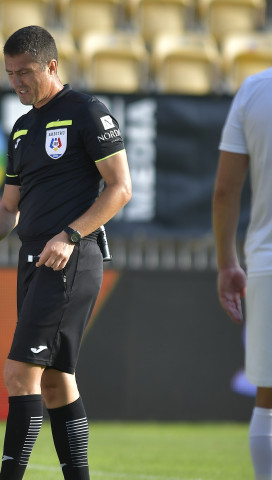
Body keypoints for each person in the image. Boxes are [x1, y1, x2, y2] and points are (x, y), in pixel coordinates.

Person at [0, 26, 131, 480]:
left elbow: (120, 188)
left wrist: (69, 236)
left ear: (51, 66)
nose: (17, 81)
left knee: (19, 374)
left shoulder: (87, 112)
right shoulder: (22, 128)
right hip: (35, 260)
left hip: (70, 259)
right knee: (55, 382)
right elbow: (8, 208)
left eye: (26, 72)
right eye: (10, 73)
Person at [213, 67, 272, 479]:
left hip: (267, 260)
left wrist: (227, 263)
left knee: (268, 399)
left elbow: (225, 191)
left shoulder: (255, 89)